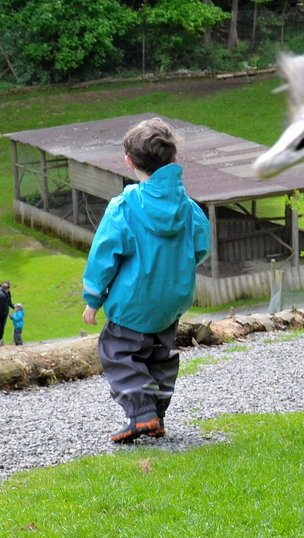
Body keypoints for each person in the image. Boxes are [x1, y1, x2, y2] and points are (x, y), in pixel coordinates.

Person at [81, 118, 212, 443]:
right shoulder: (188, 207)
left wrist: (93, 299)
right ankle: (156, 415)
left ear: (129, 162)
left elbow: (103, 256)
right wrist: (177, 271)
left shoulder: (124, 208)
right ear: (174, 160)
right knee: (157, 354)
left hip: (134, 303)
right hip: (171, 302)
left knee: (117, 352)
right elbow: (202, 246)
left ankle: (141, 415)